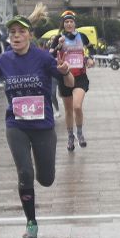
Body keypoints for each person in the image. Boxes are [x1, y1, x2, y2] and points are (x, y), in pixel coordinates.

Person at [0, 15, 73, 238]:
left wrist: (66, 72)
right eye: (12, 33)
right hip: (16, 125)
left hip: (43, 125)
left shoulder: (44, 58)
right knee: (25, 173)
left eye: (21, 32)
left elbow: (69, 84)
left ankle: (42, 170)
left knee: (46, 179)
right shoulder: (4, 60)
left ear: (29, 35)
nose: (16, 36)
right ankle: (31, 223)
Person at [50, 11, 94, 151]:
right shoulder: (59, 38)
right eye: (66, 22)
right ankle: (70, 136)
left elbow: (90, 48)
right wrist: (58, 46)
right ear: (63, 24)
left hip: (80, 76)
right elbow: (50, 55)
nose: (69, 24)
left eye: (71, 21)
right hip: (65, 77)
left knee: (77, 106)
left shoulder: (82, 36)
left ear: (75, 23)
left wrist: (90, 58)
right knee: (68, 110)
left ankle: (79, 133)